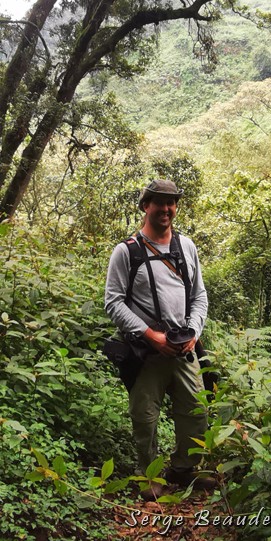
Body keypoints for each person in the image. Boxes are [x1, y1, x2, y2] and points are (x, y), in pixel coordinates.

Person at [104, 179, 216, 499]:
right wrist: (149, 334)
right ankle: (149, 475)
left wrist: (193, 331)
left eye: (171, 203)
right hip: (146, 352)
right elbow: (113, 302)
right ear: (145, 206)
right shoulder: (126, 252)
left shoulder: (186, 246)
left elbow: (199, 296)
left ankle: (183, 469)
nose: (166, 209)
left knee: (196, 410)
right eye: (159, 203)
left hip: (183, 349)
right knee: (145, 416)